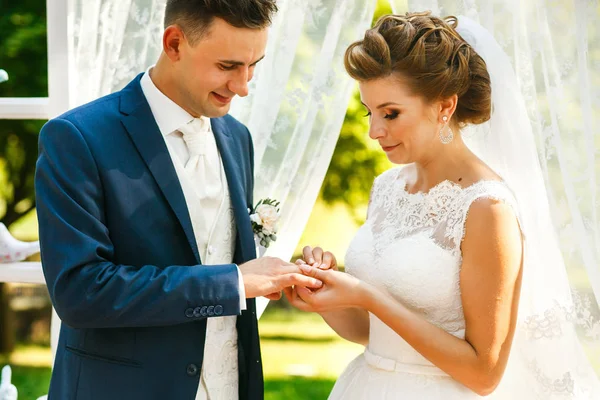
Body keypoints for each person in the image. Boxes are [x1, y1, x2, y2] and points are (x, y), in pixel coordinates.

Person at [289, 12, 600, 399]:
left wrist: (367, 295)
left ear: (444, 107)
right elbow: (374, 333)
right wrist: (326, 296)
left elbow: (484, 373)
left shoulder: (487, 208)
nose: (374, 131)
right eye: (370, 112)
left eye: (391, 113)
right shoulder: (386, 188)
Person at [34, 1, 323, 399]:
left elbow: (220, 248)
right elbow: (80, 292)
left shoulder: (237, 138)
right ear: (174, 44)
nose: (243, 86)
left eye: (253, 65)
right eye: (228, 66)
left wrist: (283, 275)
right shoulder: (78, 138)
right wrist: (234, 283)